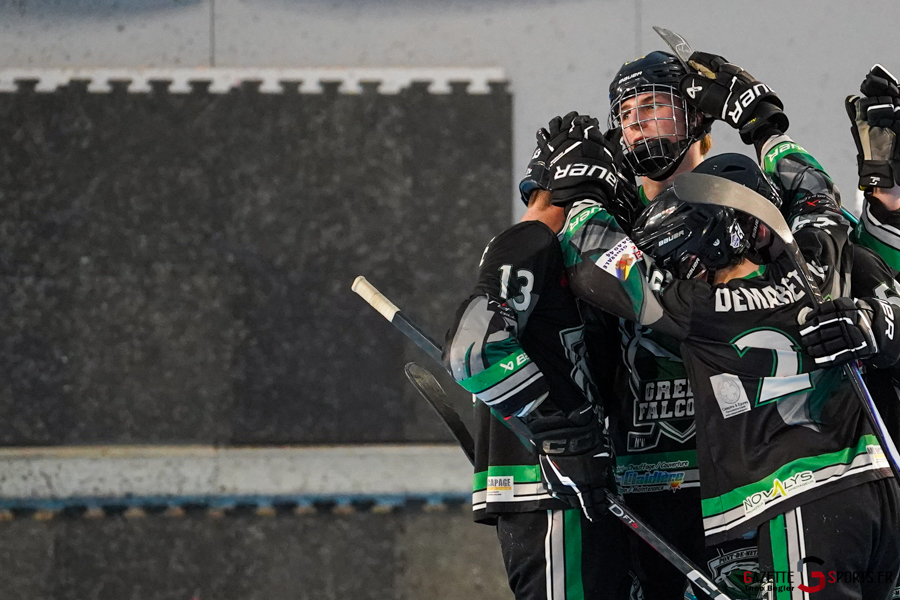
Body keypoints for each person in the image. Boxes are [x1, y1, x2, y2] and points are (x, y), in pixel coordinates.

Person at [626, 175, 900, 599]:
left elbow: (602, 267)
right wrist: (768, 130)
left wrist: (583, 201)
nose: (677, 269)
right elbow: (818, 196)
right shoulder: (819, 267)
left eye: (680, 257)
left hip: (800, 497)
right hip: (877, 489)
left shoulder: (700, 308)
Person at [444, 113, 635, 600]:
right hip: (550, 496)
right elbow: (474, 350)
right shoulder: (532, 240)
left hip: (573, 494)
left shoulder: (553, 259)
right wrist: (557, 429)